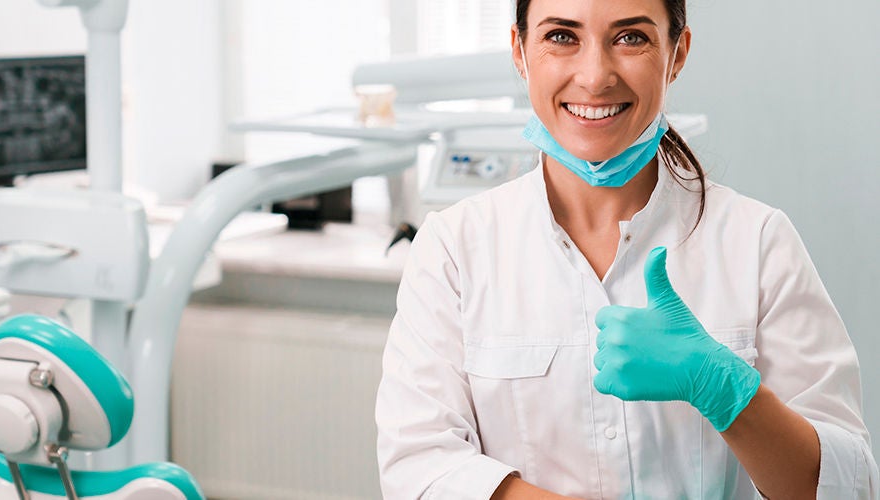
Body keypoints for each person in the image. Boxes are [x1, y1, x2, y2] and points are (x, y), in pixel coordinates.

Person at [375, 0, 879, 498]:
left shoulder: (758, 242)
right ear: (520, 51)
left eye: (631, 37)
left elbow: (848, 486)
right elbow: (420, 468)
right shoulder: (454, 250)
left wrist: (725, 392)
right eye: (561, 36)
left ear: (677, 53)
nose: (595, 77)